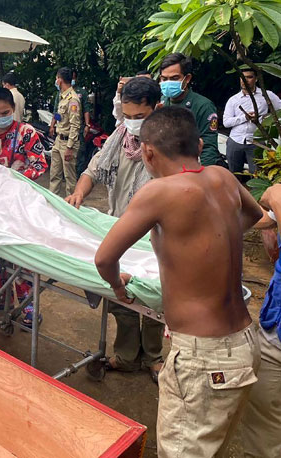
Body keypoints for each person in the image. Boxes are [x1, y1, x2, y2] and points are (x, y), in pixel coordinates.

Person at [95, 106, 262, 458]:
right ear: (199, 145)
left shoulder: (160, 192)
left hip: (204, 356)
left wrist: (118, 286)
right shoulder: (224, 177)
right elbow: (254, 217)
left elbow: (105, 258)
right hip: (246, 341)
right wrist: (207, 247)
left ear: (148, 151)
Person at [66, 77, 164, 383]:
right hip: (120, 225)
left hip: (155, 235)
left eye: (140, 117)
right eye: (129, 116)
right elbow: (94, 168)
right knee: (120, 299)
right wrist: (79, 192)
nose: (133, 124)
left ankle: (153, 356)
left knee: (150, 297)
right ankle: (126, 356)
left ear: (156, 109)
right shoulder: (120, 138)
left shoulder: (169, 144)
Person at [0, 87, 48, 325]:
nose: (1, 117)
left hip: (19, 203)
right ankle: (3, 297)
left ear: (14, 109)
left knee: (19, 256)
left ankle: (28, 306)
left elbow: (39, 164)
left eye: (5, 112)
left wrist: (14, 177)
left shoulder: (26, 132)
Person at [242, 187, 281, 458]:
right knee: (263, 426)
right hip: (274, 331)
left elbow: (273, 196)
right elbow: (264, 216)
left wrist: (277, 199)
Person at [160, 52, 224, 167]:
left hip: (191, 167)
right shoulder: (161, 102)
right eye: (164, 79)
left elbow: (208, 145)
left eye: (174, 78)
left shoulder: (203, 106)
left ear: (187, 78)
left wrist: (203, 176)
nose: (168, 83)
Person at [224, 69, 281, 181]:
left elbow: (280, 112)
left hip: (257, 140)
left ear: (256, 79)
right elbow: (226, 122)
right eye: (242, 77)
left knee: (258, 176)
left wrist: (268, 120)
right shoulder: (233, 100)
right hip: (236, 139)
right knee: (233, 176)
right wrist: (244, 117)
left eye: (249, 77)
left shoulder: (267, 95)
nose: (245, 80)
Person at [48, 67, 81, 197]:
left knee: (70, 178)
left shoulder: (72, 99)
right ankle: (52, 203)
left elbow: (75, 125)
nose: (56, 81)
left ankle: (72, 208)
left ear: (60, 80)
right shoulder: (62, 97)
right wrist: (53, 124)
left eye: (57, 78)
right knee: (54, 175)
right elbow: (61, 116)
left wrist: (69, 147)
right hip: (58, 140)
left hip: (68, 143)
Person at [71, 69, 93, 175]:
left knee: (80, 151)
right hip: (66, 128)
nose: (72, 80)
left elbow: (86, 109)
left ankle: (79, 174)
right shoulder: (61, 93)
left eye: (73, 77)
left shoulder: (81, 92)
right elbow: (56, 110)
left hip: (79, 126)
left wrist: (87, 125)